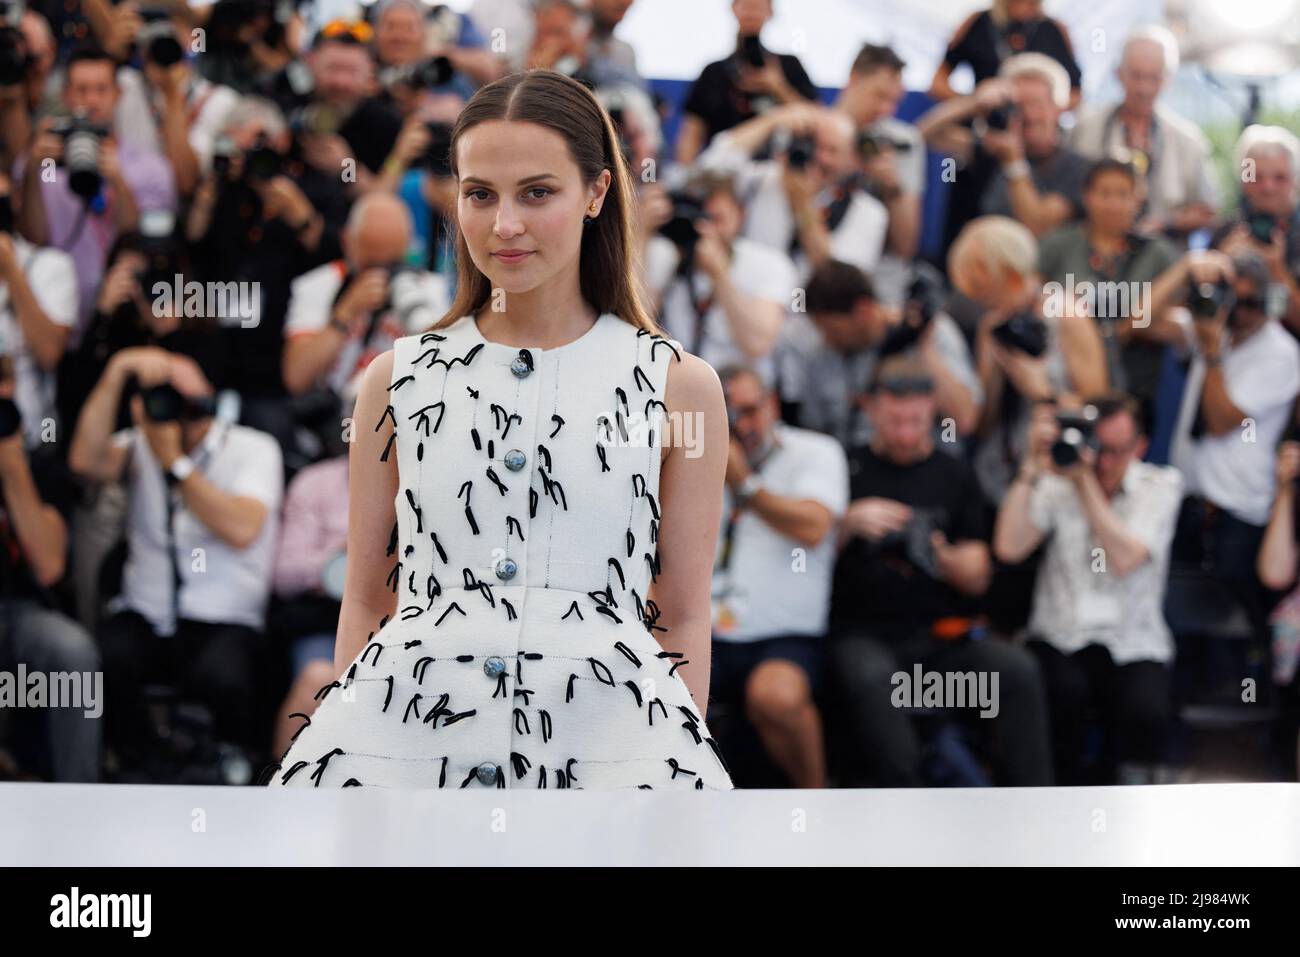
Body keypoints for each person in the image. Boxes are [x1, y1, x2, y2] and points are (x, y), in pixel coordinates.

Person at [270, 69, 735, 790]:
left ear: (597, 192)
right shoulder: (394, 379)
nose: (503, 224)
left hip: (611, 756)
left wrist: (661, 775)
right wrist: (356, 763)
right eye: (479, 193)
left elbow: (679, 613)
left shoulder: (681, 386)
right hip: (406, 751)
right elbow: (367, 596)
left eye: (536, 192)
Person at [827, 355, 1052, 787]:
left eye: (916, 420)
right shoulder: (846, 469)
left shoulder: (955, 475)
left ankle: (1032, 800)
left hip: (940, 640)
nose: (906, 432)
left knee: (1015, 670)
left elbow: (980, 575)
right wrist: (849, 522)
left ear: (932, 409)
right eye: (894, 420)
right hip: (864, 634)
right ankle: (907, 802)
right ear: (871, 409)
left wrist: (945, 558)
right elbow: (810, 555)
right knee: (873, 679)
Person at [68, 347, 284, 768]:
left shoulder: (254, 448)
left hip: (224, 618)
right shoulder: (139, 444)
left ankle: (229, 775)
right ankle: (138, 764)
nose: (179, 412)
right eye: (165, 398)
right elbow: (83, 462)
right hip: (148, 613)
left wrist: (175, 463)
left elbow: (241, 528)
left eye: (189, 399)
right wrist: (117, 372)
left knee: (224, 676)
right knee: (106, 657)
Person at [995, 394, 1182, 784]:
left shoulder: (1160, 485)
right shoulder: (1055, 479)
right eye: (1098, 449)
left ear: (1140, 447)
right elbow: (1009, 548)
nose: (1105, 463)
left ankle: (1130, 814)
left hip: (1133, 640)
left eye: (1117, 452)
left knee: (1145, 711)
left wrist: (1084, 485)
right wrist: (1031, 466)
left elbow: (1125, 558)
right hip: (1061, 637)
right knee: (1062, 698)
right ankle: (1060, 809)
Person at [709, 364, 848, 788]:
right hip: (709, 626)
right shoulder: (696, 457)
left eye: (751, 411)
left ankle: (816, 801)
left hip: (783, 632)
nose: (743, 426)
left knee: (775, 696)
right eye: (729, 416)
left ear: (772, 405)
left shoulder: (814, 452)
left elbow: (813, 526)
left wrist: (744, 484)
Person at [1165, 250, 1300, 627]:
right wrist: (1186, 267)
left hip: (1238, 511)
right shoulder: (1210, 323)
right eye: (1231, 300)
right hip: (1188, 501)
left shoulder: (1282, 353)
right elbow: (1138, 322)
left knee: (1232, 627)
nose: (1238, 313)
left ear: (1269, 302)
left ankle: (1244, 689)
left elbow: (1222, 420)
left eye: (1250, 303)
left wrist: (1210, 354)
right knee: (1179, 616)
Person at [16, 43, 176, 337]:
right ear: (65, 95)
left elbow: (143, 245)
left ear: (118, 94)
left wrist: (116, 179)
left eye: (101, 89)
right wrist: (35, 169)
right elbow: (33, 237)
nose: (91, 100)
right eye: (81, 89)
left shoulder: (149, 169)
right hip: (59, 322)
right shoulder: (50, 167)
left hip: (127, 325)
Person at [950, 216, 1106, 505]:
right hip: (1001, 475)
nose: (980, 299)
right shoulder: (992, 325)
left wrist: (1042, 392)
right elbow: (983, 423)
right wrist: (994, 374)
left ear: (1010, 274)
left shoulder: (1066, 315)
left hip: (1057, 477)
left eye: (985, 290)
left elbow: (1098, 412)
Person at [0, 361, 101, 782]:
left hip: (16, 610)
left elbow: (49, 566)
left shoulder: (37, 464)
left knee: (72, 651)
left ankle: (80, 799)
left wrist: (10, 463)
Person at [783, 259, 981, 453]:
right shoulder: (824, 356)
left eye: (831, 328)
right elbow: (814, 435)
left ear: (863, 310)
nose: (826, 337)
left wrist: (925, 348)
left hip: (928, 471)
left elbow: (963, 419)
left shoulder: (934, 333)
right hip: (856, 469)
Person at [1037, 159, 1181, 414]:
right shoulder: (1058, 245)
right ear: (1087, 196)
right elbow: (1033, 300)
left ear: (1137, 199)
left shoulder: (1156, 253)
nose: (1113, 205)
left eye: (1123, 195)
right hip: (1066, 382)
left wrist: (1132, 325)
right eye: (1104, 194)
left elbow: (1169, 321)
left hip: (1134, 384)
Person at [282, 192, 448, 402]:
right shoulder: (318, 286)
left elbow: (445, 373)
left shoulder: (431, 290)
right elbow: (296, 378)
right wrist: (345, 313)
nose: (382, 275)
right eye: (371, 266)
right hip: (332, 420)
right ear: (347, 242)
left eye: (393, 263)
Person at [696, 102, 887, 278]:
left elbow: (838, 279)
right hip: (752, 298)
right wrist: (771, 122)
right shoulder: (763, 179)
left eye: (832, 150)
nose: (820, 158)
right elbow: (706, 170)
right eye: (814, 145)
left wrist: (801, 203)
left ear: (852, 158)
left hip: (802, 307)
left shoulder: (867, 213)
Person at [641, 171, 796, 388]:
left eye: (716, 219)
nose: (706, 230)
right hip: (679, 395)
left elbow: (757, 343)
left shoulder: (770, 264)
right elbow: (635, 326)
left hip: (742, 399)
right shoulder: (665, 257)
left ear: (740, 215)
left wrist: (720, 274)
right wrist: (640, 234)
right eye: (699, 218)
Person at [921, 52, 1088, 246]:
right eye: (1019, 106)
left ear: (1058, 108)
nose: (1029, 115)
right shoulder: (992, 148)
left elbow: (1037, 227)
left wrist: (1014, 163)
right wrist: (974, 102)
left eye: (1037, 104)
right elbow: (922, 136)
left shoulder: (1076, 167)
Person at [1069, 25, 1219, 240]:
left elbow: (1208, 211)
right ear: (1119, 74)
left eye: (1153, 77)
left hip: (1164, 256)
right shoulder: (1086, 129)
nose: (1143, 88)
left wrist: (1165, 224)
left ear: (1167, 79)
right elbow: (1068, 196)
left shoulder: (1188, 141)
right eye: (1136, 76)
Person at [832, 43, 925, 306]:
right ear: (853, 79)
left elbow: (905, 247)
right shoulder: (817, 130)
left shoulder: (902, 143)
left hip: (878, 276)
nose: (887, 110)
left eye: (895, 101)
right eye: (880, 96)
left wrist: (892, 186)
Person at [675, 0, 818, 165]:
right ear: (734, 9)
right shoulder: (714, 72)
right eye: (746, 5)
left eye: (758, 7)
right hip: (725, 171)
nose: (751, 13)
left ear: (770, 12)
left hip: (779, 170)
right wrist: (686, 175)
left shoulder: (788, 66)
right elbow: (692, 132)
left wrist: (778, 86)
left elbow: (815, 119)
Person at [0, 171, 77, 447]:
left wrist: (10, 269)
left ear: (16, 199)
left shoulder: (50, 266)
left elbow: (49, 353)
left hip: (31, 441)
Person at [1210, 126, 1300, 337]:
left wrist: (1277, 272)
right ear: (1243, 181)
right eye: (1257, 177)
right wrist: (1221, 265)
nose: (1268, 187)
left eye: (1279, 178)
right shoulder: (1227, 233)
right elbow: (1203, 318)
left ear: (1295, 181)